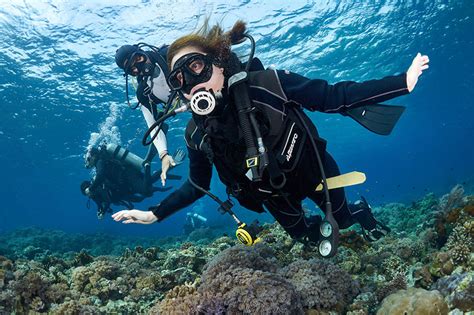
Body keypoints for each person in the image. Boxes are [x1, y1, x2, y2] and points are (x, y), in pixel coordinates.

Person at [113, 21, 429, 249]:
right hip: (274, 198)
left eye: (198, 66)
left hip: (315, 173)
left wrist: (402, 81)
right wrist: (155, 214)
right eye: (181, 78)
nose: (194, 82)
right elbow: (196, 186)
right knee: (308, 237)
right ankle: (313, 229)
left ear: (220, 64)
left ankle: (361, 213)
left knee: (343, 220)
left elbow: (334, 96)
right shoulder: (196, 133)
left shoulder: (268, 85)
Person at [115, 43, 180, 186]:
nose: (138, 67)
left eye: (138, 58)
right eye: (132, 69)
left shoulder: (170, 54)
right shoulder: (144, 93)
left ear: (142, 52)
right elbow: (152, 125)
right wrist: (163, 155)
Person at [82, 144, 184, 218]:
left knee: (146, 190)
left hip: (128, 175)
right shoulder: (101, 162)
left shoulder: (100, 161)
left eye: (87, 159)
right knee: (148, 185)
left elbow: (100, 175)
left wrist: (91, 188)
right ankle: (170, 164)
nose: (87, 163)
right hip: (127, 177)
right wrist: (101, 210)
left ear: (92, 156)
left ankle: (148, 162)